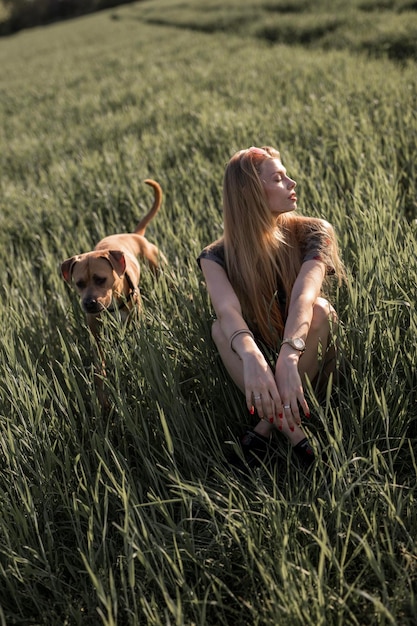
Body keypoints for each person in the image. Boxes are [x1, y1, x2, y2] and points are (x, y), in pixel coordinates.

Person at [198, 146, 345, 473]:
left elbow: (303, 299)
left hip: (311, 363)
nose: (292, 182)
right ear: (251, 193)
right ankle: (297, 436)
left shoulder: (314, 232)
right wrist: (252, 357)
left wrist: (288, 356)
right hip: (259, 369)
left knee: (322, 311)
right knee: (219, 328)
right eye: (278, 178)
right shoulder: (215, 256)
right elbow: (226, 310)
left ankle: (264, 428)